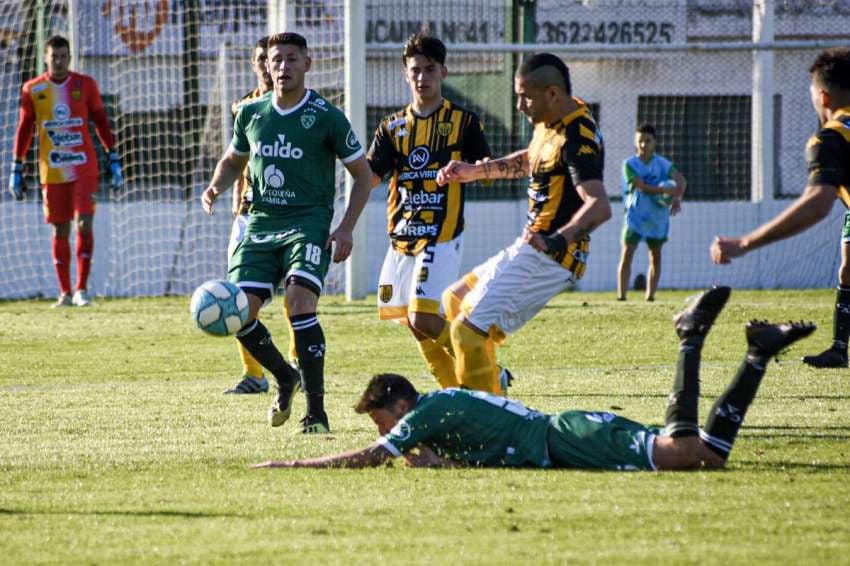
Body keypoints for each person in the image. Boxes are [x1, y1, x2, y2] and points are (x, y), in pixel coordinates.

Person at [252, 287, 816, 470]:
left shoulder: (424, 411)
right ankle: (759, 355)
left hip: (566, 437)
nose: (387, 435)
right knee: (708, 457)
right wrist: (442, 465)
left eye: (381, 421)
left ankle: (690, 337)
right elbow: (483, 451)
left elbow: (373, 457)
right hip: (561, 440)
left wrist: (293, 464)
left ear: (399, 404)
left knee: (681, 449)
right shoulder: (440, 418)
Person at [201, 32, 373, 433]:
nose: (283, 66)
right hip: (259, 223)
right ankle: (284, 375)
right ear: (267, 65)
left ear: (308, 64)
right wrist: (214, 186)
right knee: (238, 312)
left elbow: (363, 176)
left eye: (292, 59)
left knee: (299, 302)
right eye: (276, 60)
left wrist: (345, 228)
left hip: (308, 223)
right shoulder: (251, 112)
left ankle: (316, 412)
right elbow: (232, 160)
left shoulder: (327, 116)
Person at [433, 53, 611, 394]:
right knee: (454, 300)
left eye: (525, 96)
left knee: (467, 331)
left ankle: (489, 426)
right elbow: (533, 160)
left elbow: (599, 206)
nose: (519, 105)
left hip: (551, 258)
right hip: (532, 246)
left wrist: (559, 239)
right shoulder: (550, 120)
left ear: (553, 94)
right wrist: (475, 171)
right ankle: (489, 380)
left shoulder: (577, 138)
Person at [367, 31, 492, 390]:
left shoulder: (464, 122)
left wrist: (471, 171)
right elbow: (373, 177)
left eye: (430, 69)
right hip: (402, 237)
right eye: (415, 70)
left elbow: (485, 171)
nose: (422, 77)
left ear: (444, 73)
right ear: (406, 74)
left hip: (442, 233)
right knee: (413, 321)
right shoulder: (391, 127)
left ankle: (486, 366)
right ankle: (454, 389)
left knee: (421, 315)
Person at [711, 47, 850, 369]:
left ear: (823, 97)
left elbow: (817, 203)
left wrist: (745, 243)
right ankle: (839, 348)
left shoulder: (830, 138)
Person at [9, 35, 123, 308]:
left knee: (84, 222)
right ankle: (65, 293)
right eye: (53, 57)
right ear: (45, 58)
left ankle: (82, 289)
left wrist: (113, 156)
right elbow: (24, 129)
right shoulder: (33, 89)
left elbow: (101, 122)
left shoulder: (85, 85)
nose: (58, 61)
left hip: (84, 166)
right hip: (52, 170)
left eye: (63, 56)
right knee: (60, 230)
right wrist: (17, 166)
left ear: (69, 58)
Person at [222, 36, 298, 395]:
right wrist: (237, 212)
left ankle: (296, 362)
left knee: (295, 295)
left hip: (290, 216)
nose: (271, 68)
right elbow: (238, 163)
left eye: (280, 60)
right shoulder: (245, 108)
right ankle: (254, 375)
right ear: (258, 65)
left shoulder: (298, 108)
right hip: (249, 215)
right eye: (263, 61)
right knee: (239, 299)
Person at [616, 123, 686, 302]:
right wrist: (665, 191)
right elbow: (641, 186)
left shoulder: (662, 164)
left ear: (654, 142)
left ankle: (650, 297)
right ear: (635, 142)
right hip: (635, 215)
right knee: (627, 252)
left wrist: (677, 197)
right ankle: (621, 296)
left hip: (657, 217)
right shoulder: (629, 164)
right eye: (640, 141)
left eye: (648, 141)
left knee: (655, 255)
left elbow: (681, 180)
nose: (643, 145)